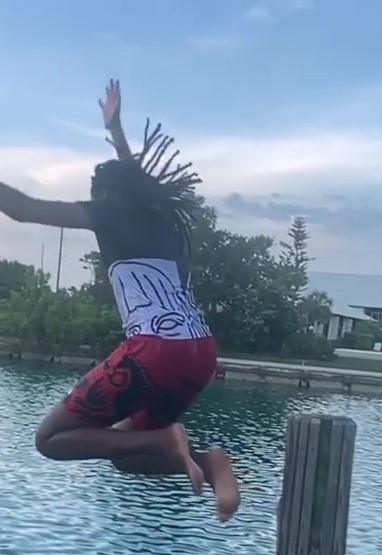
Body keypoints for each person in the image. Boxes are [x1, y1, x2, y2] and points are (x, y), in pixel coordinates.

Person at [0, 80, 239, 521]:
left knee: (50, 440)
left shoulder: (109, 212)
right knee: (126, 454)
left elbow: (23, 208)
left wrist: (116, 136)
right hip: (200, 352)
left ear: (107, 195)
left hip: (156, 349)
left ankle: (166, 440)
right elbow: (137, 178)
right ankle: (209, 463)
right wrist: (116, 131)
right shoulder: (162, 219)